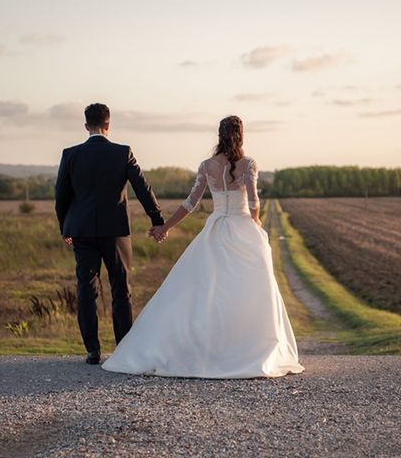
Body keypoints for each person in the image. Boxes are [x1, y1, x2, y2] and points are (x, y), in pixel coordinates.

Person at [102, 115, 304, 378]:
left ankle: (209, 346)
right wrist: (256, 225)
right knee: (248, 290)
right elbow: (254, 203)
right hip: (243, 228)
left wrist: (166, 227)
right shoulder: (248, 164)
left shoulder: (207, 166)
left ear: (219, 135)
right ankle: (247, 346)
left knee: (207, 291)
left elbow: (190, 203)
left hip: (216, 230)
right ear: (241, 135)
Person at [55, 103, 166, 365]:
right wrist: (157, 219)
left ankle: (92, 351)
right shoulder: (122, 152)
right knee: (121, 289)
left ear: (86, 126)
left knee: (86, 288)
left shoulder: (70, 154)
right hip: (115, 232)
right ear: (108, 124)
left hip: (81, 231)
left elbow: (61, 196)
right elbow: (143, 188)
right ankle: (123, 348)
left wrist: (66, 228)